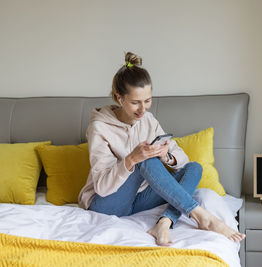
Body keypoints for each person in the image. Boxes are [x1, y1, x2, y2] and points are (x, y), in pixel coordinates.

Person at [78, 52, 245, 246]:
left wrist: (167, 155)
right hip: (106, 203)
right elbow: (102, 187)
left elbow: (182, 160)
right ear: (119, 97)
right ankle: (201, 216)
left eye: (147, 101)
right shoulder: (99, 128)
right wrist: (131, 160)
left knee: (194, 168)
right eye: (135, 102)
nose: (143, 110)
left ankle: (165, 222)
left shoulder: (148, 121)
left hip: (138, 201)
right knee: (144, 161)